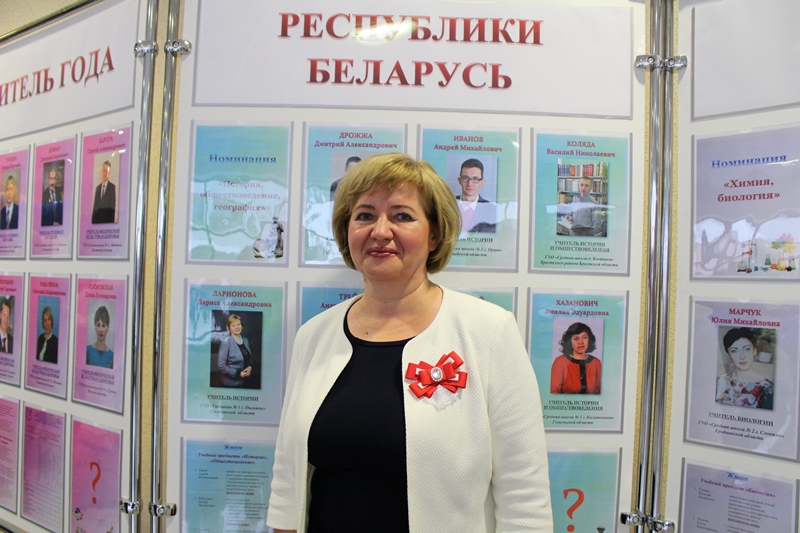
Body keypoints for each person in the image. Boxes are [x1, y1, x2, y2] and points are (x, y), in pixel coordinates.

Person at [267, 153, 552, 532]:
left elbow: (525, 495)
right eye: (364, 215)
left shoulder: (489, 331)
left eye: (402, 216)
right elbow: (288, 479)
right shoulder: (314, 335)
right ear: (347, 231)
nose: (380, 231)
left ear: (434, 234)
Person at [716, 328, 773, 409]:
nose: (742, 356)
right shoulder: (719, 382)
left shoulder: (767, 389)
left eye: (747, 349)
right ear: (729, 354)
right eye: (734, 351)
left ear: (754, 351)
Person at [550, 321, 602, 394]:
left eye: (584, 337)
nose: (580, 342)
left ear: (589, 340)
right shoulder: (560, 362)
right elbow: (554, 392)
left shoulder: (596, 363)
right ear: (569, 341)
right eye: (576, 338)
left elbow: (600, 392)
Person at [455, 158, 497, 233]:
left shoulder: (492, 211)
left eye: (475, 179)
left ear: (482, 182)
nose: (470, 184)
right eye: (465, 178)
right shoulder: (448, 204)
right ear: (459, 180)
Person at [216, 314, 255, 387]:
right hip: (230, 384)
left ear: (242, 326)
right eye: (233, 325)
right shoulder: (226, 342)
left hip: (245, 382)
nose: (237, 327)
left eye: (238, 324)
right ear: (229, 328)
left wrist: (250, 367)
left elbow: (249, 359)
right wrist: (238, 374)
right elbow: (221, 366)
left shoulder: (245, 340)